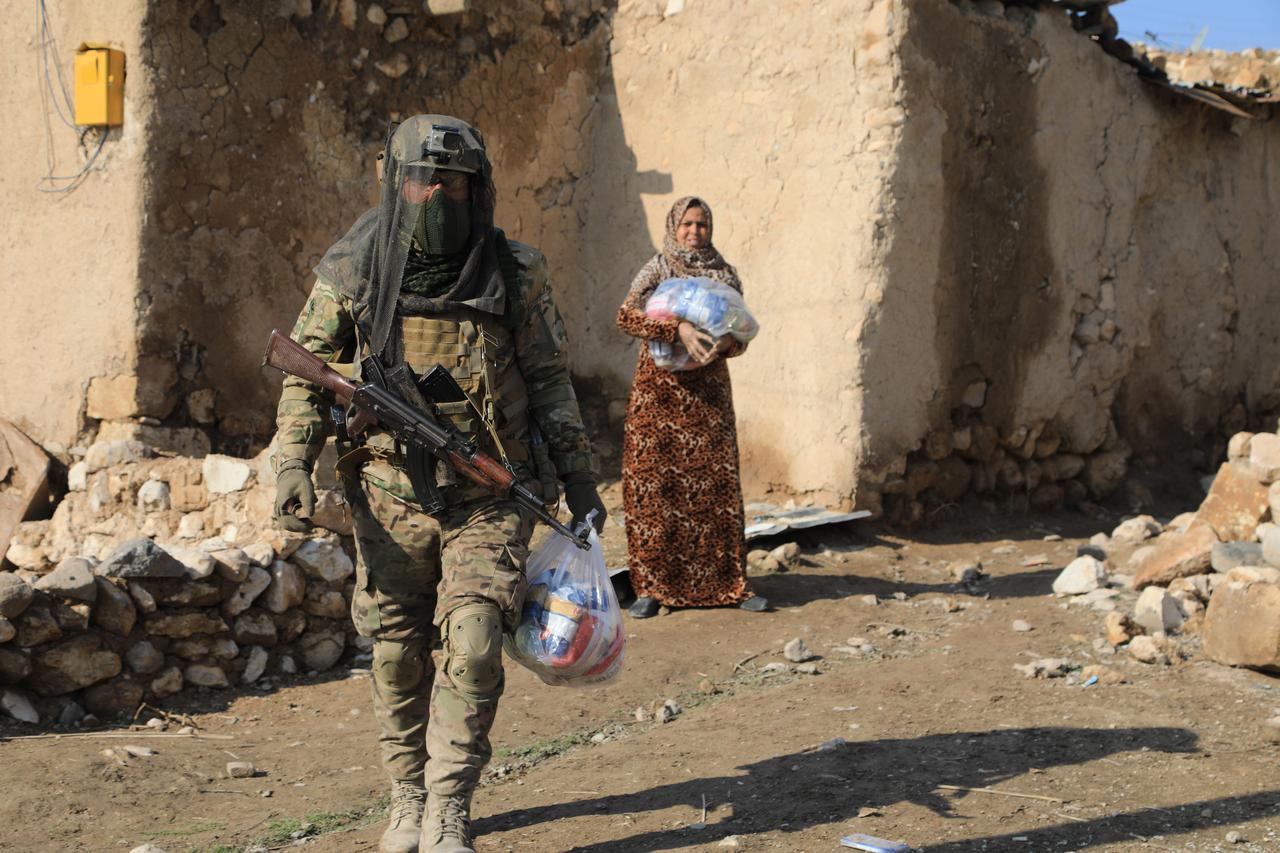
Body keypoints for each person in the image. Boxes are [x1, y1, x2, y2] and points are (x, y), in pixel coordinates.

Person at [273, 115, 606, 853]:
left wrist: (579, 478)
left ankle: (450, 799)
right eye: (423, 179)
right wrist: (294, 462)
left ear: (478, 187)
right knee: (395, 649)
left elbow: (550, 381)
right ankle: (407, 792)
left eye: (453, 182)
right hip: (390, 497)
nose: (437, 195)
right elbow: (305, 374)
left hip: (489, 493)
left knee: (479, 637)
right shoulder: (356, 266)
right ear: (396, 184)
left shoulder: (514, 272)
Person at [615, 196, 766, 618]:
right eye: (687, 224)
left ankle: (727, 586)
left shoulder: (724, 273)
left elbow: (742, 332)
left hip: (707, 397)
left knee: (713, 490)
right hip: (658, 396)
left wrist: (728, 343)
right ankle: (650, 588)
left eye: (701, 224)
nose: (694, 232)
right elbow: (626, 317)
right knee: (654, 487)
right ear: (674, 227)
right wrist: (675, 328)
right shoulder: (658, 268)